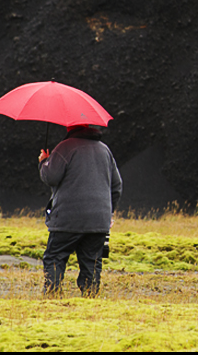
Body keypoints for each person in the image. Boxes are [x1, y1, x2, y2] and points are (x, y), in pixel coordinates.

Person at [38, 123, 122, 296]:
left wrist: (43, 162)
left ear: (70, 127)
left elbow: (51, 177)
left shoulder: (65, 147)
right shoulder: (105, 150)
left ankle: (52, 296)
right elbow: (117, 186)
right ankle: (90, 298)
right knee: (92, 261)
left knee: (55, 257)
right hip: (99, 221)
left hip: (67, 218)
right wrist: (108, 212)